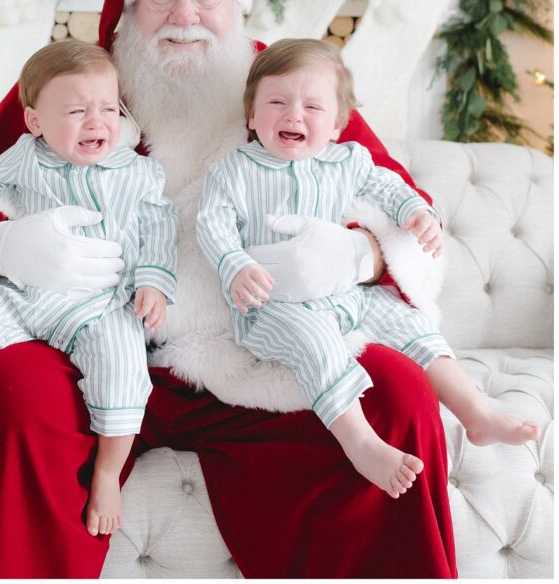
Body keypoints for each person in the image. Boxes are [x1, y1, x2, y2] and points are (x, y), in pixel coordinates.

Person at [0, 0, 458, 579]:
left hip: (255, 348)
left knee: (395, 396)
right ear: (126, 6)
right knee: (9, 391)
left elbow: (408, 206)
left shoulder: (287, 87)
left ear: (236, 4)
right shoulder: (74, 81)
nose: (185, 15)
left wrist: (362, 255)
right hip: (80, 351)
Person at [198, 38, 540, 499]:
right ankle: (360, 442)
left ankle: (475, 412)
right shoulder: (234, 170)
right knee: (315, 342)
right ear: (252, 115)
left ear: (338, 124)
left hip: (347, 295)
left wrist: (417, 214)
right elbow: (213, 223)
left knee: (406, 319)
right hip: (271, 306)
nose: (293, 115)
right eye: (277, 102)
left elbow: (391, 189)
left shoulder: (348, 162)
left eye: (312, 106)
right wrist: (234, 263)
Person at [0, 40, 176, 536]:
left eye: (108, 109)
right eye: (76, 111)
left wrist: (154, 285)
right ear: (35, 121)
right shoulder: (26, 155)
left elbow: (159, 233)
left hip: (102, 304)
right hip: (25, 293)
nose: (96, 122)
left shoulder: (140, 173)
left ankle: (108, 474)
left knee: (122, 367)